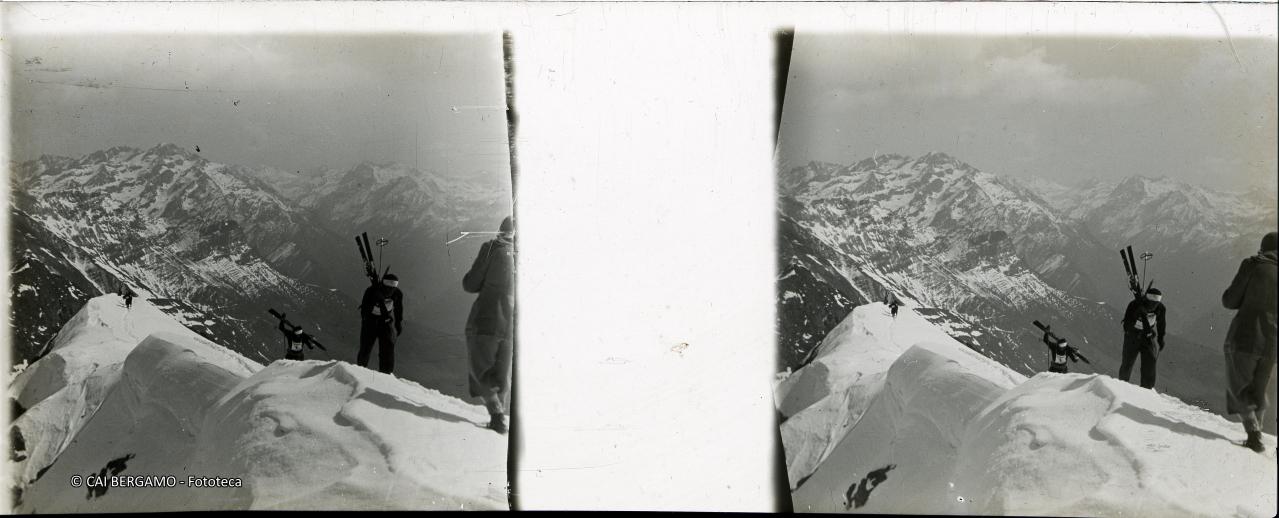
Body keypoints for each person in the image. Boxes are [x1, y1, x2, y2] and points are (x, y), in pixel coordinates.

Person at [1221, 231, 1277, 453]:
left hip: (1245, 337)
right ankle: (1258, 433)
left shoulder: (1253, 265)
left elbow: (1229, 300)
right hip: (1273, 345)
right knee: (1259, 388)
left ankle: (1254, 434)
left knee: (1240, 386)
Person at [463, 216, 516, 434]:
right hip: (514, 324)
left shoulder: (491, 248)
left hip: (488, 317)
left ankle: (496, 414)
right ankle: (500, 416)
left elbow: (470, 283)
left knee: (480, 366)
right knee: (502, 372)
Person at [1118, 287, 1167, 389]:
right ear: (1146, 300)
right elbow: (1127, 325)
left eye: (1156, 304)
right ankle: (1122, 387)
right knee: (1127, 362)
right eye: (1151, 303)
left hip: (1148, 336)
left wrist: (1160, 339)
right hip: (1132, 335)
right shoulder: (1135, 305)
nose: (1153, 306)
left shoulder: (1160, 308)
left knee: (1150, 363)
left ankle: (1147, 389)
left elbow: (1161, 324)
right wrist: (1137, 315)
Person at [358, 272, 403, 374]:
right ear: (383, 285)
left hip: (385, 321)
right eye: (387, 288)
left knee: (388, 348)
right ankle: (360, 371)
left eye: (392, 289)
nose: (390, 291)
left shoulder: (397, 293)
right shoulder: (372, 291)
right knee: (366, 347)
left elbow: (398, 309)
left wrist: (398, 323)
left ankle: (386, 374)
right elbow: (364, 309)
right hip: (371, 320)